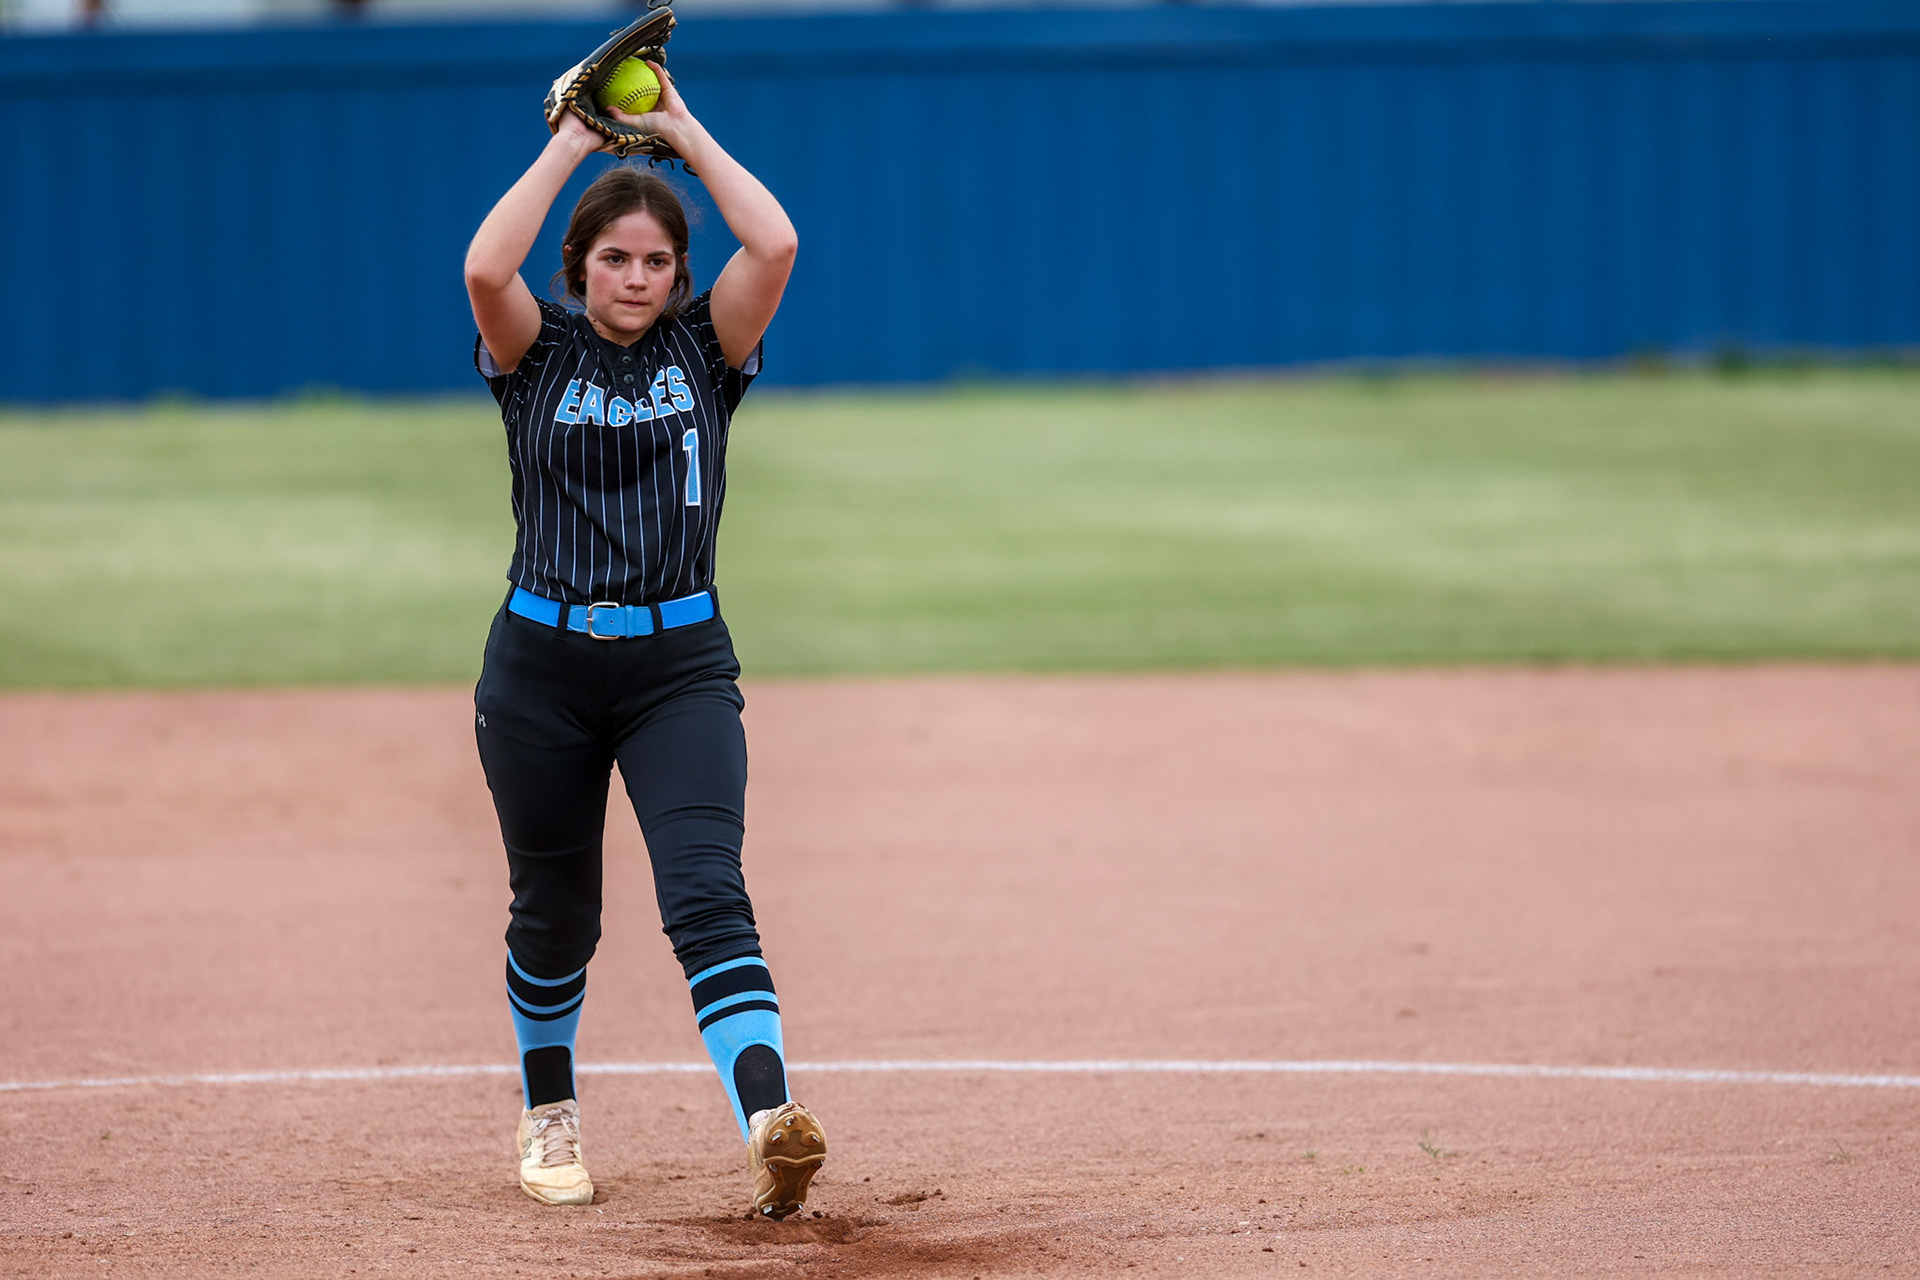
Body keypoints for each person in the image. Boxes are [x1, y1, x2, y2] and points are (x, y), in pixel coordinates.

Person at [462, 64, 825, 1218]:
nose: (636, 275)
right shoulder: (537, 355)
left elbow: (772, 245)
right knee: (557, 910)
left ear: (678, 275)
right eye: (614, 257)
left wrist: (679, 128)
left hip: (679, 667)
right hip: (540, 672)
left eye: (656, 259)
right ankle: (549, 1107)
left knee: (707, 891)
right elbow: (483, 266)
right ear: (581, 268)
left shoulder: (705, 354)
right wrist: (575, 140)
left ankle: (772, 1122)